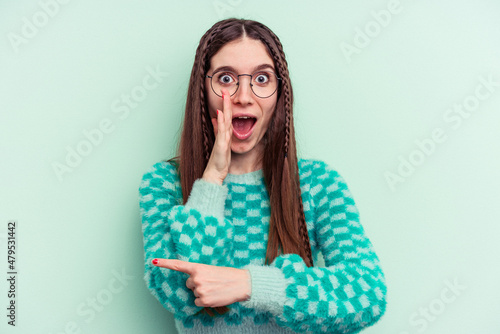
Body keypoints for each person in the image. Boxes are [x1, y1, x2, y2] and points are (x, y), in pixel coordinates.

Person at [138, 18, 387, 333]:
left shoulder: (318, 183)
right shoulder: (163, 183)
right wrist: (213, 178)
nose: (243, 95)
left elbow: (368, 293)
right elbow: (179, 296)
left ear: (279, 94)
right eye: (226, 78)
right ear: (203, 89)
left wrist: (252, 284)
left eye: (261, 78)